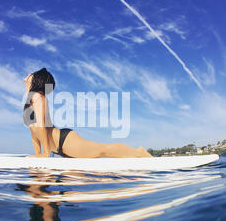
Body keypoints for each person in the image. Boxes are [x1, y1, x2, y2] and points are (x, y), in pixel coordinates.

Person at [23, 68, 152, 158]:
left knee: (103, 150)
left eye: (32, 74)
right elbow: (33, 132)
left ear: (37, 79)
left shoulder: (39, 97)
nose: (29, 75)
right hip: (58, 149)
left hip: (65, 142)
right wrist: (37, 154)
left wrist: (45, 153)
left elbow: (41, 125)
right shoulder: (31, 99)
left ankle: (139, 152)